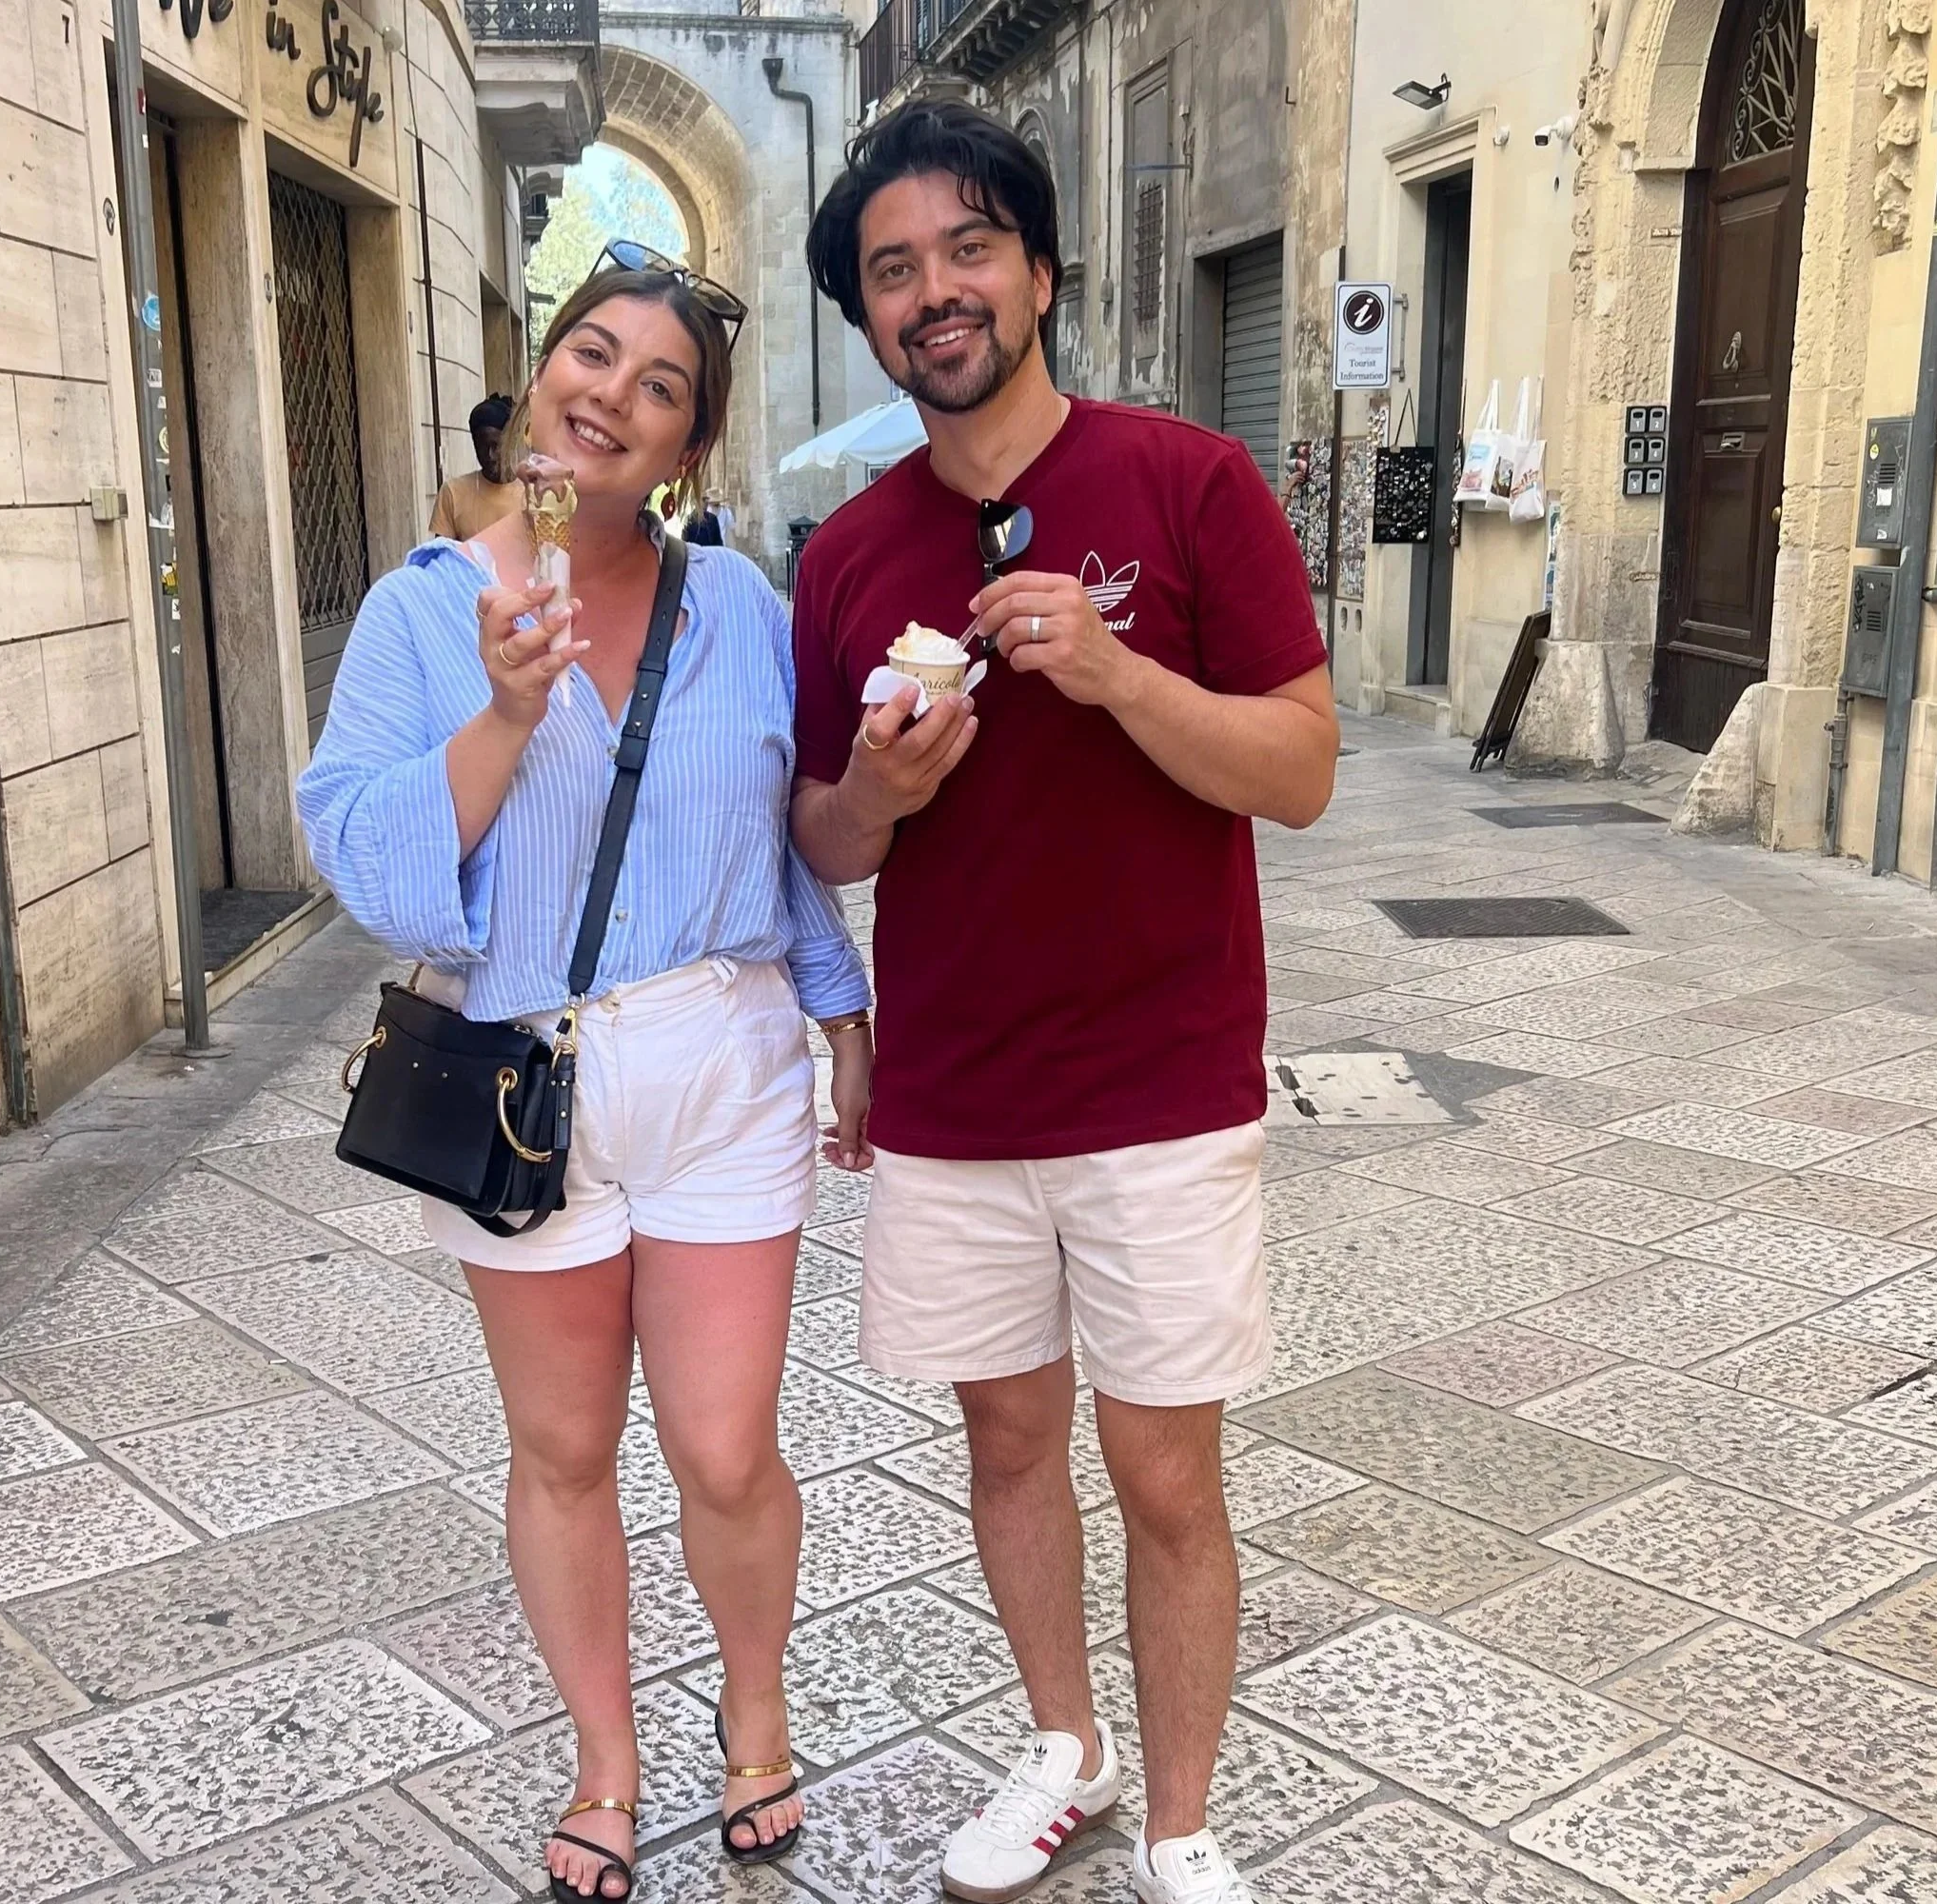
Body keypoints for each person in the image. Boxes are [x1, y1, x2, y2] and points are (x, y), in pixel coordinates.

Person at [789, 101, 1338, 1904]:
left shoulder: (1190, 483)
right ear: (867, 318)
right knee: (1008, 1446)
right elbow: (823, 836)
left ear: (1038, 270)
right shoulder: (849, 554)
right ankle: (1064, 1753)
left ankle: (1182, 1825)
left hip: (1162, 1083)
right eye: (893, 271)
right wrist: (885, 792)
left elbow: (1301, 770)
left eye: (968, 249)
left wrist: (1116, 676)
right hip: (956, 1097)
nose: (934, 291)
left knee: (1165, 1473)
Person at [300, 257, 875, 1903]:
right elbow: (370, 867)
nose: (610, 395)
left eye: (659, 386)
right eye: (591, 355)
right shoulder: (423, 609)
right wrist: (501, 717)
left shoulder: (740, 606)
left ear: (685, 449)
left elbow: (776, 830)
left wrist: (842, 1009)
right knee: (561, 1450)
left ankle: (754, 1716)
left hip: (720, 1065)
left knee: (724, 1448)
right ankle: (605, 1763)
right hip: (523, 1076)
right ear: (540, 374)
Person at [430, 392, 524, 540]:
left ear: (511, 443)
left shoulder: (533, 495)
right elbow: (442, 553)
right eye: (482, 447)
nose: (490, 455)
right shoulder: (453, 493)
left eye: (497, 446)